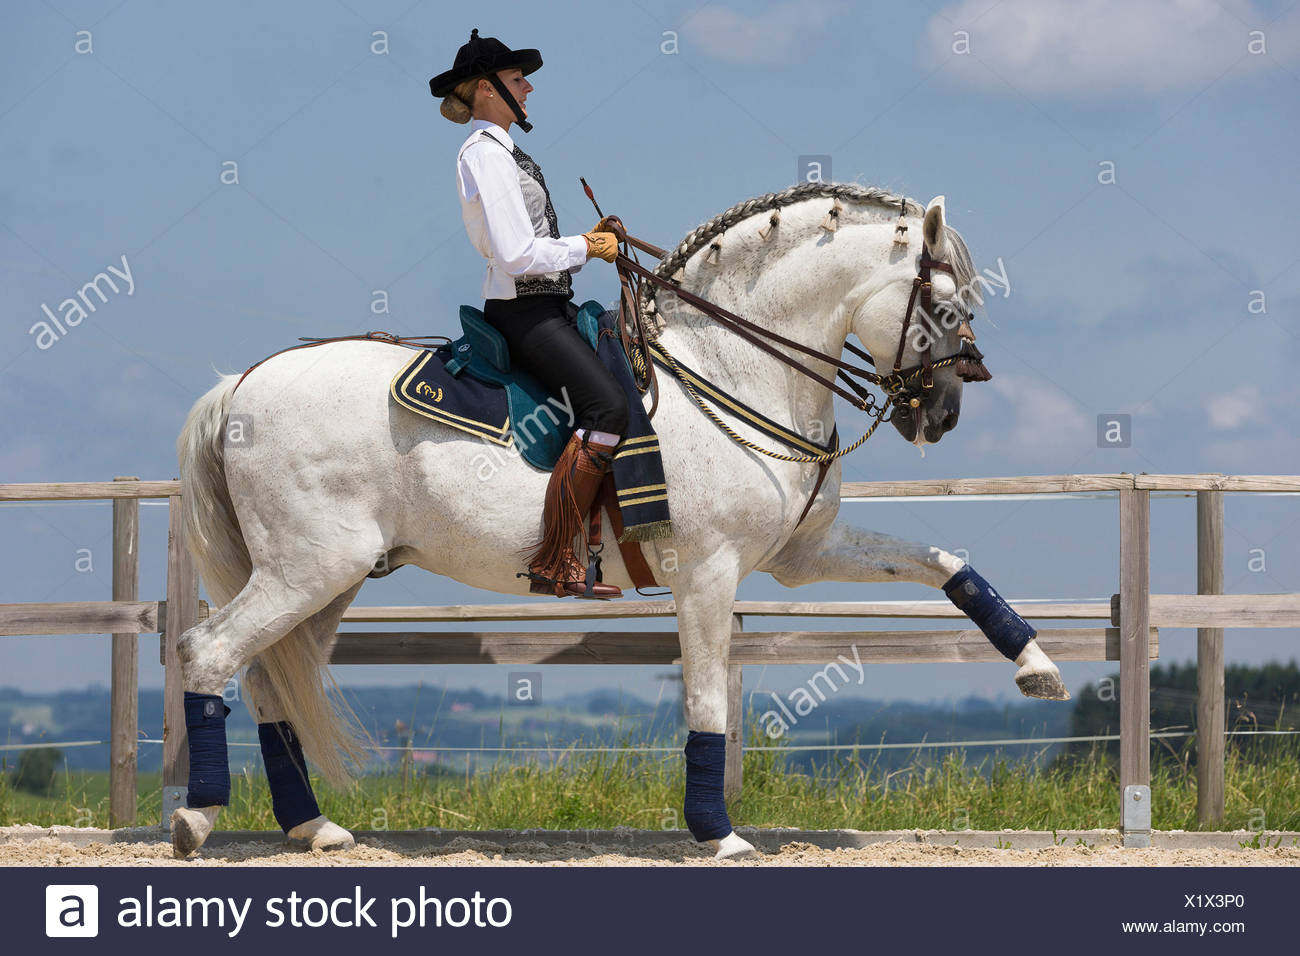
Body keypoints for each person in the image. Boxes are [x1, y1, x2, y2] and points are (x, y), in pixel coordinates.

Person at [430, 29, 629, 599]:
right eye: (518, 79)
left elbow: (532, 241)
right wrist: (585, 247)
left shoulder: (505, 151)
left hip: (548, 304)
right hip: (524, 313)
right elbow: (517, 254)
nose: (529, 88)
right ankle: (555, 558)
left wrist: (586, 240)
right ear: (486, 90)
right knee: (607, 407)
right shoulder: (485, 153)